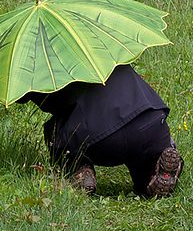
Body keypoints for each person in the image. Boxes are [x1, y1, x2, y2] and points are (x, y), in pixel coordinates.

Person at [16, 64, 183, 197]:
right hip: (149, 121)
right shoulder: (101, 39)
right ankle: (157, 173)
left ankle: (79, 170)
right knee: (146, 156)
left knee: (54, 132)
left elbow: (20, 94)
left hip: (100, 138)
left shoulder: (43, 64)